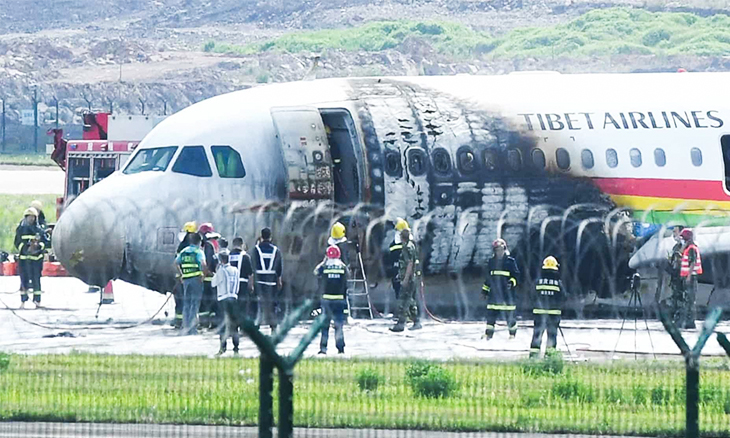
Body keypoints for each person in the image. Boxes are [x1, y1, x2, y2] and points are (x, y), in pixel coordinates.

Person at [482, 238, 520, 340]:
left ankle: (512, 335)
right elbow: (488, 278)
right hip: (494, 294)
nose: (499, 252)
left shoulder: (510, 261)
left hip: (507, 294)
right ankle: (488, 335)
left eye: (500, 249)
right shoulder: (491, 262)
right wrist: (485, 291)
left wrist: (512, 282)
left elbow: (516, 275)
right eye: (497, 250)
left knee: (510, 316)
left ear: (504, 249)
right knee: (491, 316)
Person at [314, 245, 348, 354]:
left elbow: (315, 272)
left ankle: (323, 349)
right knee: (338, 325)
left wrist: (324, 261)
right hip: (339, 300)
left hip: (326, 300)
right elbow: (347, 281)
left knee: (325, 326)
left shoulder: (324, 267)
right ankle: (340, 348)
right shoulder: (343, 267)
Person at [529, 256, 564, 358]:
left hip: (539, 314)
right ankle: (549, 357)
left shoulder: (537, 282)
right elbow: (564, 297)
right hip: (553, 316)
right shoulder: (558, 283)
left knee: (537, 335)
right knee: (552, 336)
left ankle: (533, 357)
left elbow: (532, 295)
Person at [390, 228, 421, 332]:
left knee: (402, 300)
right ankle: (416, 322)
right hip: (410, 278)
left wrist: (405, 279)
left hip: (408, 279)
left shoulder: (407, 248)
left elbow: (410, 264)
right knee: (409, 300)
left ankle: (401, 324)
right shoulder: (411, 246)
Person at [251, 227, 283, 331]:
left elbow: (253, 266)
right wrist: (279, 280)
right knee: (272, 305)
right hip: (272, 282)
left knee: (259, 305)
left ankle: (257, 326)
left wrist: (251, 282)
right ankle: (273, 327)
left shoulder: (256, 250)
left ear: (261, 236)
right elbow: (279, 267)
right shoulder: (276, 250)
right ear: (271, 237)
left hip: (259, 282)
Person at [175, 232, 207, 335]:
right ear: (199, 242)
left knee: (187, 304)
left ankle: (185, 327)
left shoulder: (183, 251)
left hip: (186, 280)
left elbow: (176, 263)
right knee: (195, 304)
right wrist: (203, 275)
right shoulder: (198, 252)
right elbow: (203, 264)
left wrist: (181, 275)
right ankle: (192, 329)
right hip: (196, 280)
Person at [15, 208, 47, 308]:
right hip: (24, 259)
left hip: (36, 260)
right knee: (23, 280)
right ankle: (23, 301)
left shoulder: (39, 230)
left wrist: (38, 247)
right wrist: (24, 248)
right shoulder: (21, 229)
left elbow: (44, 242)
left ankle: (37, 301)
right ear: (25, 217)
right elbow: (17, 242)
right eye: (29, 217)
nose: (31, 219)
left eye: (33, 217)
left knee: (36, 279)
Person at [212, 250, 240, 356]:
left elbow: (213, 283)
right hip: (234, 298)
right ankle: (236, 347)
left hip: (223, 299)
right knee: (234, 324)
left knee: (223, 324)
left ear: (221, 260)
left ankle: (222, 347)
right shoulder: (235, 270)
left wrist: (216, 271)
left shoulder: (221, 271)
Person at [173, 221, 198, 328]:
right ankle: (188, 323)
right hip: (190, 277)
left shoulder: (181, 246)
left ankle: (179, 322)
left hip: (181, 277)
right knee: (189, 300)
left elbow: (176, 262)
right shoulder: (191, 247)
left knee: (180, 300)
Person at [679, 228, 702, 329]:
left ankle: (690, 322)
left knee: (690, 300)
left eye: (684, 238)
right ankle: (687, 321)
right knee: (687, 300)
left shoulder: (692, 248)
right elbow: (680, 253)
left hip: (691, 277)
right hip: (688, 277)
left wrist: (688, 276)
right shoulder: (688, 247)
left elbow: (692, 263)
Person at [229, 237, 255, 324]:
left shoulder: (228, 256)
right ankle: (242, 324)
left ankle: (233, 325)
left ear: (233, 244)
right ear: (242, 244)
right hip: (242, 283)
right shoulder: (245, 257)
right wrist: (251, 286)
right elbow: (250, 274)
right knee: (243, 306)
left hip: (230, 284)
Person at [198, 223, 219, 329]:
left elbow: (207, 261)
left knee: (204, 302)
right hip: (214, 278)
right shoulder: (214, 243)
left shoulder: (207, 246)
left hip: (207, 278)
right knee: (213, 301)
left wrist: (204, 274)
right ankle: (214, 323)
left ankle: (204, 323)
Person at [384, 218, 410, 301]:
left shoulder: (394, 244)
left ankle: (405, 311)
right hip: (402, 274)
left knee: (401, 296)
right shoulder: (411, 244)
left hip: (399, 274)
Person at [666, 226, 685, 326]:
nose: (673, 234)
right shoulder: (676, 247)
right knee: (676, 297)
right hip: (675, 276)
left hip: (681, 276)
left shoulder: (684, 246)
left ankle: (681, 318)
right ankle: (677, 317)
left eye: (675, 232)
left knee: (681, 298)